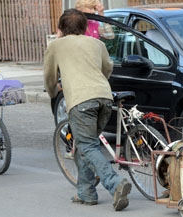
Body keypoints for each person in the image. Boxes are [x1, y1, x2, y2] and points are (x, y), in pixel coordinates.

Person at [44, 9, 131, 211]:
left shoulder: (56, 46)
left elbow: (49, 75)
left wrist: (52, 91)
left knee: (87, 145)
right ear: (85, 27)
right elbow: (107, 69)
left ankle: (115, 183)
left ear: (61, 29)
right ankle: (87, 192)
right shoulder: (98, 44)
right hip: (104, 98)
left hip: (81, 101)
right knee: (86, 144)